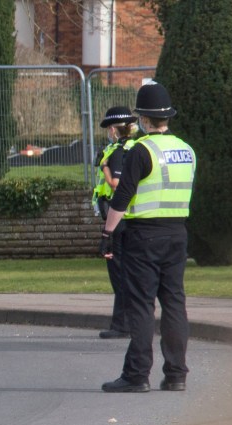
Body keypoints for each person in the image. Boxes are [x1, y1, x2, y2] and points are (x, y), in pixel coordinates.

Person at [99, 82, 195, 393]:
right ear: (167, 118)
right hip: (177, 233)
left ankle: (136, 375)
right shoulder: (186, 149)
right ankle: (177, 373)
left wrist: (108, 232)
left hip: (144, 236)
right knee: (174, 302)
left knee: (140, 305)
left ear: (143, 119)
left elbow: (123, 195)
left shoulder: (142, 149)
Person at [92, 106, 138, 340]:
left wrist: (105, 168)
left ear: (113, 129)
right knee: (122, 272)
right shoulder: (132, 147)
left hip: (118, 222)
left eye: (109, 129)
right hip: (126, 220)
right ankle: (124, 323)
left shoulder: (119, 151)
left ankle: (122, 325)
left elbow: (117, 185)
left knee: (118, 273)